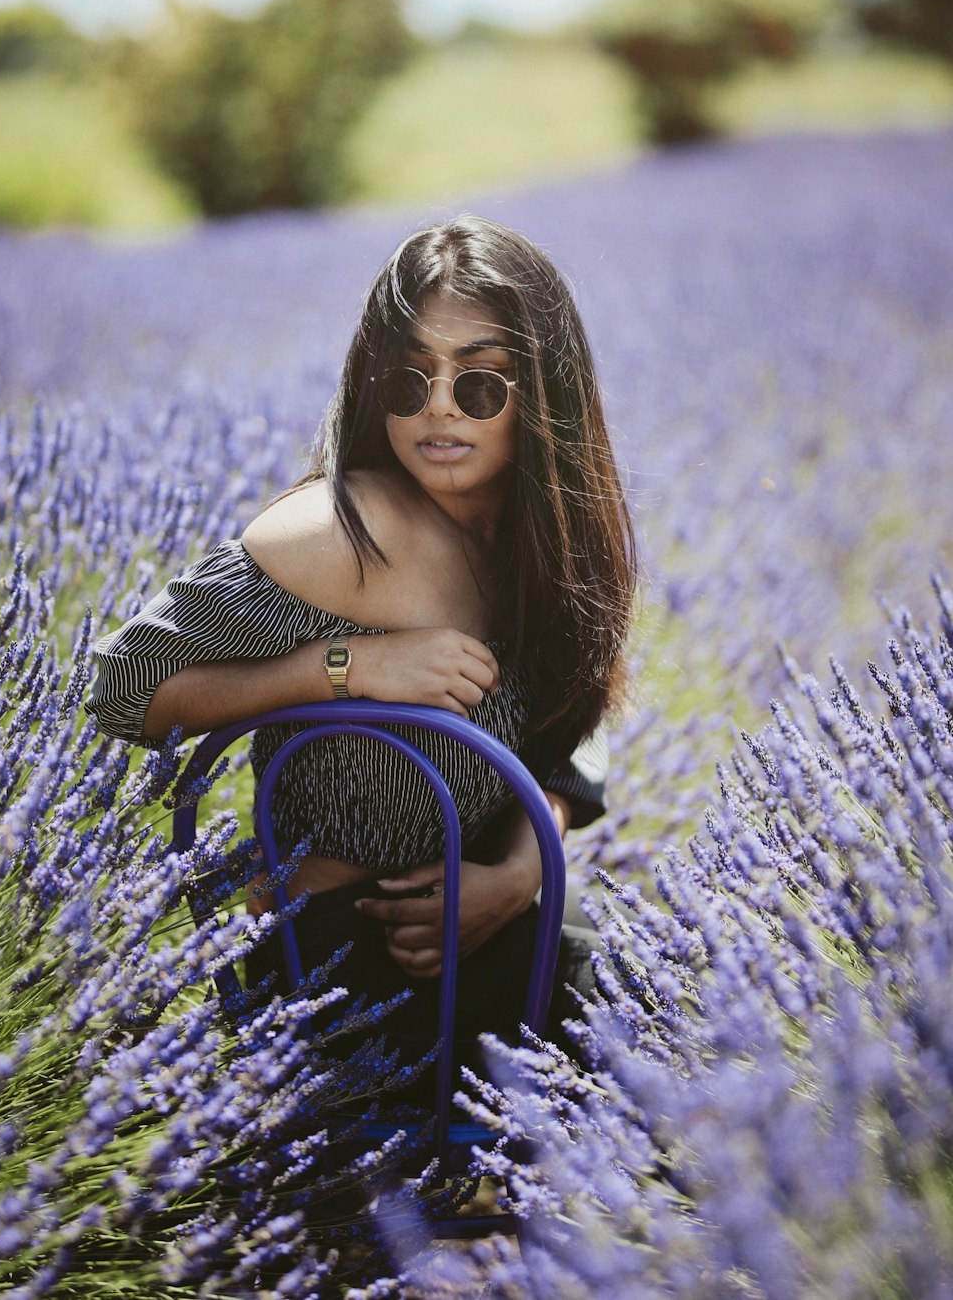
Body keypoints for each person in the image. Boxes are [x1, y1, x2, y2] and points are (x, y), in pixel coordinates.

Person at [86, 216, 637, 1077]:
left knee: (681, 1012)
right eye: (410, 377)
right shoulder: (343, 532)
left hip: (494, 926)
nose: (440, 406)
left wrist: (517, 876)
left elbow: (569, 744)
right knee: (642, 1044)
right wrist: (346, 669)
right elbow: (124, 687)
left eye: (481, 382)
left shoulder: (542, 547)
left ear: (544, 393)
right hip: (335, 960)